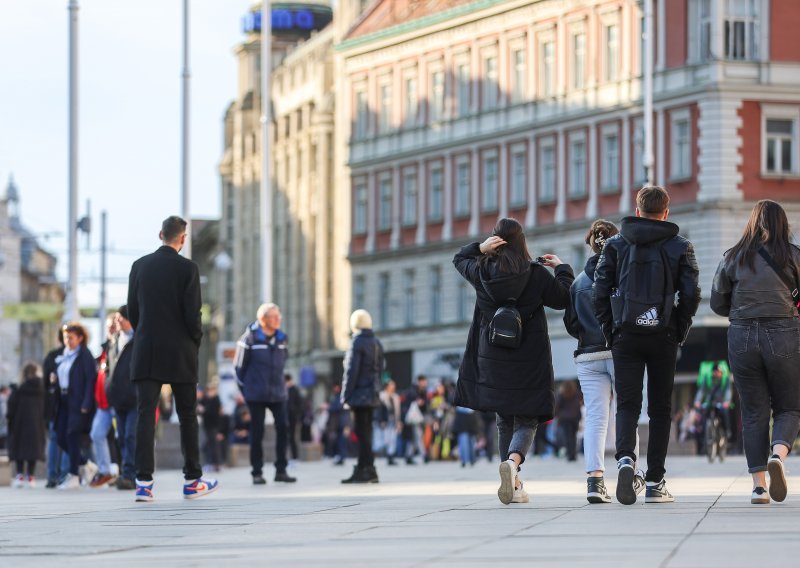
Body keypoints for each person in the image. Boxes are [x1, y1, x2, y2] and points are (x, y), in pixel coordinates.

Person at [454, 217, 574, 505]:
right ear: (522, 242)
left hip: (492, 358)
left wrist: (480, 248)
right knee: (528, 418)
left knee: (503, 419)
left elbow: (459, 258)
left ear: (496, 242)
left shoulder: (480, 270)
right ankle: (513, 462)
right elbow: (563, 298)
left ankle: (513, 482)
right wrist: (561, 268)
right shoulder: (535, 274)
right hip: (529, 359)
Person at [593, 186, 701, 505]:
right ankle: (655, 482)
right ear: (666, 213)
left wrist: (611, 330)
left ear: (637, 211)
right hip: (663, 333)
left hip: (625, 333)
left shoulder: (615, 244)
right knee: (660, 408)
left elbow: (599, 292)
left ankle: (626, 460)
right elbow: (692, 293)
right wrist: (678, 327)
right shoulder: (680, 246)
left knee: (627, 403)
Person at [710, 199, 800, 504]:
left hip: (742, 335)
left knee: (752, 411)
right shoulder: (794, 256)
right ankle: (778, 453)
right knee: (789, 407)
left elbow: (717, 303)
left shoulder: (733, 257)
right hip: (784, 333)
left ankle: (759, 486)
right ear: (782, 223)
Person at [127, 215, 218, 502]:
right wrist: (195, 342)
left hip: (147, 349)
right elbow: (193, 314)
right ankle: (192, 480)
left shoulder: (139, 266)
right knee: (188, 415)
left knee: (145, 415)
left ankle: (143, 482)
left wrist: (146, 333)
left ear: (160, 235)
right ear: (183, 239)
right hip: (180, 350)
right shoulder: (188, 268)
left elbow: (133, 311)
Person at [564, 219, 642, 503]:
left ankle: (595, 481)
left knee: (596, 418)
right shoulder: (625, 277)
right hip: (622, 351)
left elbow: (571, 324)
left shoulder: (578, 284)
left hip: (588, 355)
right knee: (627, 411)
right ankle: (628, 468)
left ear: (590, 245)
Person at [234, 303, 296, 484]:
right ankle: (257, 472)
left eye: (279, 317)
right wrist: (247, 392)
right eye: (274, 317)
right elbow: (239, 369)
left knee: (284, 429)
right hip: (256, 394)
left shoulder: (282, 339)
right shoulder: (248, 340)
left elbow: (284, 362)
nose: (278, 320)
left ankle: (281, 470)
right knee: (257, 432)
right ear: (263, 320)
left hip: (278, 393)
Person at [340, 309, 384, 484]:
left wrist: (345, 395)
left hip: (359, 395)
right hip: (372, 394)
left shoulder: (356, 342)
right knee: (367, 433)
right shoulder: (376, 342)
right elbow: (380, 369)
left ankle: (363, 469)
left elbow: (351, 372)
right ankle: (368, 468)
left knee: (361, 433)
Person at [54, 321, 98, 490]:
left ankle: (73, 476)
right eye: (66, 337)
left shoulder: (85, 355)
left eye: (71, 338)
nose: (68, 341)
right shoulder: (64, 355)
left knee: (73, 436)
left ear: (80, 338)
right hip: (63, 401)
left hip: (78, 402)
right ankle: (86, 464)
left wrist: (87, 402)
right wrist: (54, 379)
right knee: (60, 437)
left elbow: (89, 381)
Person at [106, 305, 138, 490]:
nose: (117, 321)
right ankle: (126, 473)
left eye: (120, 318)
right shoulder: (114, 340)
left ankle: (131, 474)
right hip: (118, 398)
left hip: (134, 397)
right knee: (122, 438)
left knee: (131, 435)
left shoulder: (139, 338)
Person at [89, 315, 119, 488]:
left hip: (117, 401)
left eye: (114, 325)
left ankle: (129, 472)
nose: (110, 328)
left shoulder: (122, 346)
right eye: (108, 326)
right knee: (97, 434)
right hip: (103, 403)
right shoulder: (104, 349)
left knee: (124, 437)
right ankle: (105, 470)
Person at [7, 362, 46, 488]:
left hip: (19, 423)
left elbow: (11, 406)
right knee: (33, 449)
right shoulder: (41, 388)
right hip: (36, 423)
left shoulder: (17, 388)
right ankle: (31, 476)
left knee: (19, 449)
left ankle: (19, 475)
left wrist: (10, 419)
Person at [42, 330, 69, 488]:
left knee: (55, 440)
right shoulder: (58, 356)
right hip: (61, 404)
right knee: (62, 439)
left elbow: (45, 383)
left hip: (56, 404)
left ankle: (53, 475)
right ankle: (61, 475)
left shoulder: (52, 356)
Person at [555, 380, 582, 462]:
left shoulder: (561, 394)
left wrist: (557, 415)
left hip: (565, 418)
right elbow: (580, 403)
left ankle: (570, 455)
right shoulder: (577, 393)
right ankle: (573, 455)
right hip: (575, 417)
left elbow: (557, 406)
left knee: (567, 437)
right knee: (573, 436)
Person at [377, 379, 401, 465]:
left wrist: (398, 422)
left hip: (393, 420)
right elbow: (379, 410)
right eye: (391, 385)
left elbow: (398, 411)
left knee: (393, 439)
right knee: (386, 439)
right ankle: (387, 454)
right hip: (385, 420)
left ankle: (391, 456)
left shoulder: (396, 397)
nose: (393, 387)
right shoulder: (382, 396)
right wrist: (381, 420)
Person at [285, 374, 303, 463]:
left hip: (293, 417)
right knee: (285, 438)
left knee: (292, 437)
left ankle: (294, 457)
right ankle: (286, 458)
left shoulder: (295, 390)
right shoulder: (285, 390)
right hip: (285, 416)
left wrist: (297, 415)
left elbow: (300, 404)